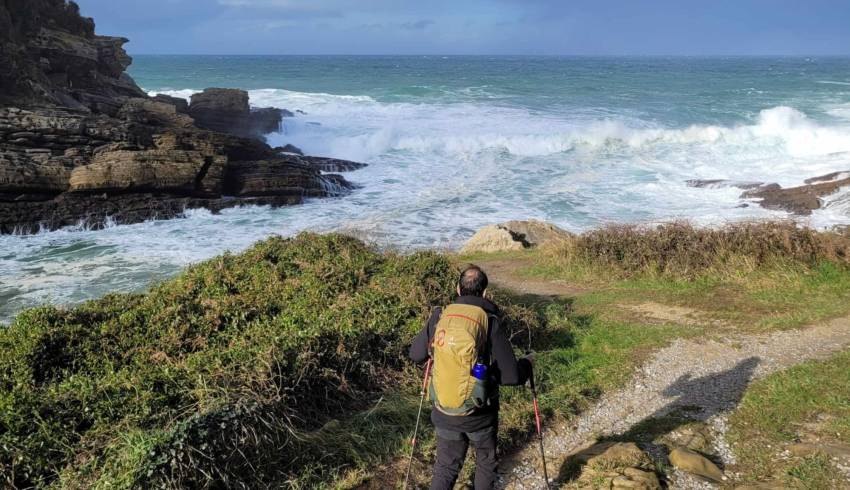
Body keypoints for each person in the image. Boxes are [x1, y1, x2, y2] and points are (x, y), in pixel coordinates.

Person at [409, 265, 532, 490]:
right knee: (485, 463)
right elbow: (512, 377)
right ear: (485, 293)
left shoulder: (440, 315)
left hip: (444, 409)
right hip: (480, 414)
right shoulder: (489, 320)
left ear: (457, 289)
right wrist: (527, 363)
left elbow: (416, 354)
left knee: (446, 467)